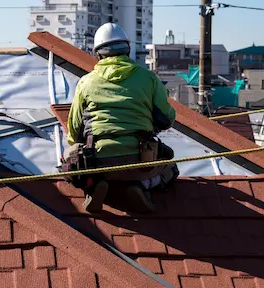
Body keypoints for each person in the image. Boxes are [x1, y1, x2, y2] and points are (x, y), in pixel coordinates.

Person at [63, 23, 179, 213]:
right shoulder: (148, 78)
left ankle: (92, 186)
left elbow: (75, 130)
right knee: (170, 166)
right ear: (127, 50)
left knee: (69, 160)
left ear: (98, 54)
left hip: (99, 160)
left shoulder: (86, 82)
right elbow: (166, 119)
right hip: (140, 159)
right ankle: (143, 186)